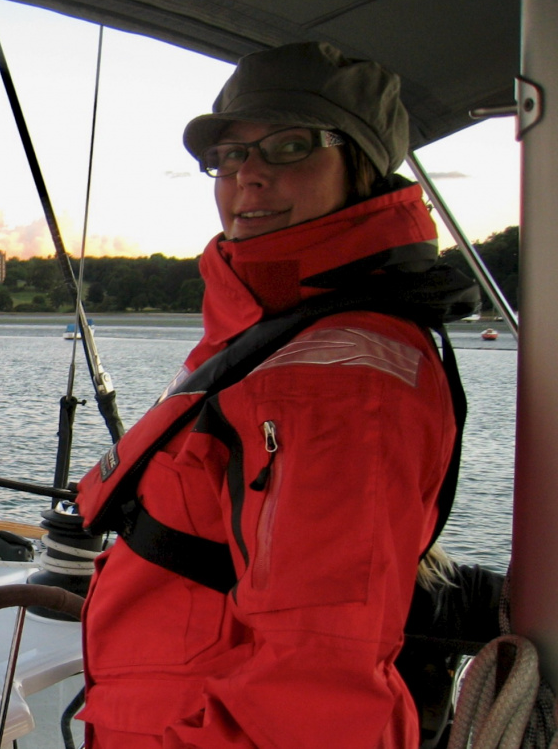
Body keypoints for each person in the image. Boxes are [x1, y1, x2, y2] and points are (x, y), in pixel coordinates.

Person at [73, 42, 474, 748]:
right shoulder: (277, 324)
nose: (247, 176)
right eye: (229, 155)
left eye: (290, 145)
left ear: (364, 168)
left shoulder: (332, 390)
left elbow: (315, 697)